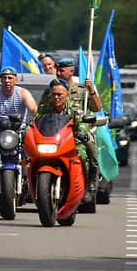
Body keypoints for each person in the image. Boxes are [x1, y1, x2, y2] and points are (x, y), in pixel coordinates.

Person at [37, 57, 103, 199]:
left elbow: (97, 108)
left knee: (88, 148)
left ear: (71, 71)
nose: (58, 73)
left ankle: (90, 178)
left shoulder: (81, 90)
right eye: (57, 70)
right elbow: (40, 113)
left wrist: (91, 89)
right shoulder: (51, 91)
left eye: (62, 71)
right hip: (56, 130)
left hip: (78, 130)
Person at [0, 66, 38, 195]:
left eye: (10, 78)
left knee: (36, 151)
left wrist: (37, 119)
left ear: (15, 80)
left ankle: (38, 180)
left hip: (19, 132)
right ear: (1, 80)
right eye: (4, 78)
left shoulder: (23, 93)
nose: (7, 81)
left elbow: (33, 109)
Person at [33, 77, 92, 176]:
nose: (56, 97)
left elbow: (81, 122)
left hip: (72, 140)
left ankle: (90, 177)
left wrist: (81, 132)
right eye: (54, 94)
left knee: (84, 154)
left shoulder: (74, 108)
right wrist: (26, 133)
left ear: (67, 95)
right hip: (50, 141)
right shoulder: (45, 108)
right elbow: (33, 123)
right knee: (29, 157)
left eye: (59, 94)